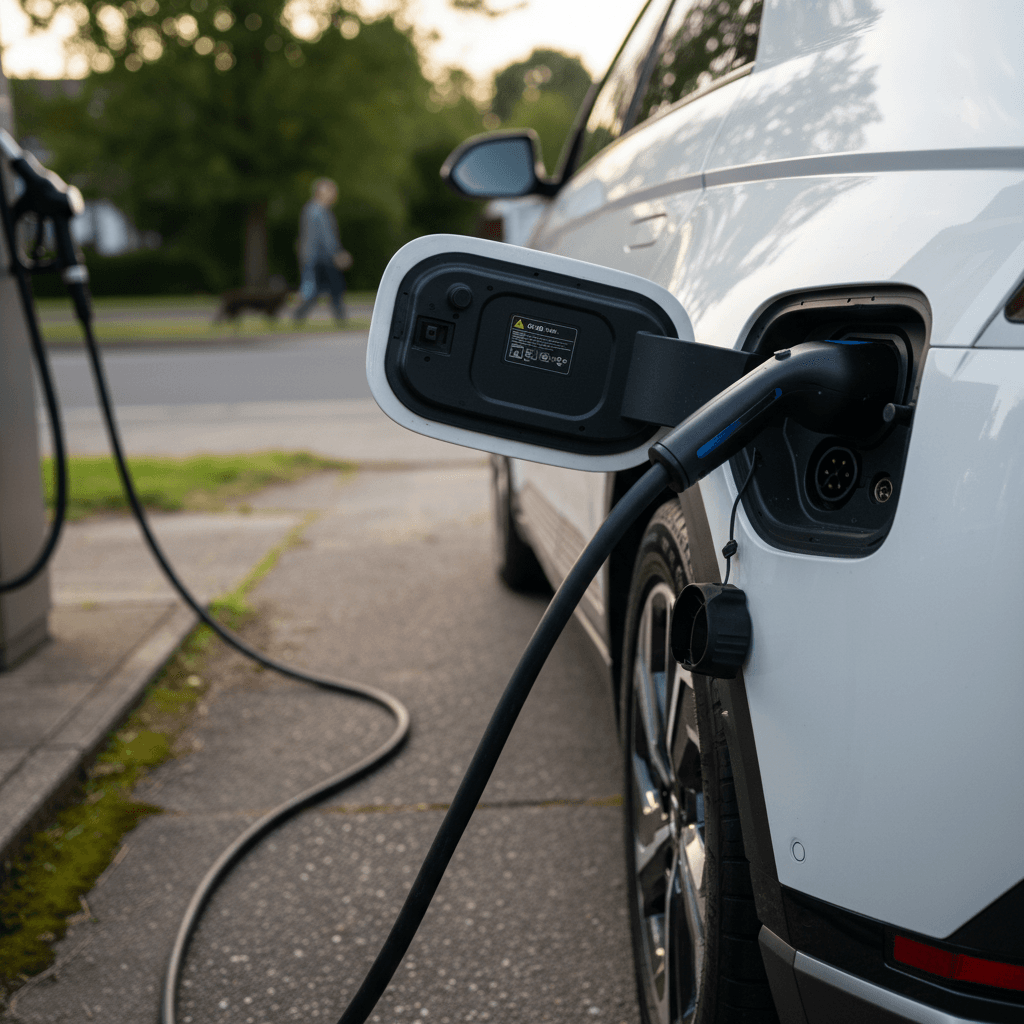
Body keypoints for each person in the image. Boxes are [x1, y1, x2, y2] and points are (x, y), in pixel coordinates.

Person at [293, 177, 350, 323]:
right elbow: (326, 238)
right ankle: (340, 318)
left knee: (318, 290)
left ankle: (299, 316)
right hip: (321, 258)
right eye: (331, 192)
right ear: (321, 193)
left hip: (315, 257)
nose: (334, 195)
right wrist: (337, 253)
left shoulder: (312, 210)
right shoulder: (318, 211)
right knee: (334, 287)